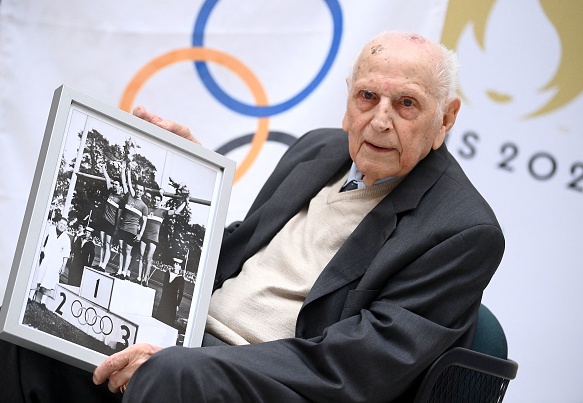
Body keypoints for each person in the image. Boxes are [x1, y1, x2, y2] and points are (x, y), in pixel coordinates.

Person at [0, 32, 505, 402]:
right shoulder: (317, 150)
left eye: (407, 104)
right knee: (35, 333)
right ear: (349, 101)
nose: (380, 119)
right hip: (189, 347)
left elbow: (358, 365)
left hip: (281, 381)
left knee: (169, 378)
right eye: (368, 97)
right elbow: (236, 251)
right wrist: (192, 177)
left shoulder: (463, 230)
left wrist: (198, 360)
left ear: (447, 118)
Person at [136, 191, 188, 286]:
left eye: (158, 200)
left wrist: (185, 202)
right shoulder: (147, 209)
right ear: (152, 200)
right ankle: (139, 277)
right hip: (144, 235)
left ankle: (145, 279)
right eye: (155, 199)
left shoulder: (163, 211)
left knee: (148, 258)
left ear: (160, 201)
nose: (156, 201)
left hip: (153, 238)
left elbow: (176, 211)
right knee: (140, 256)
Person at [112, 181, 149, 281]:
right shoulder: (129, 198)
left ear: (143, 192)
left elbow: (144, 222)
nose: (139, 191)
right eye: (137, 189)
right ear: (135, 189)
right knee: (120, 249)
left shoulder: (144, 206)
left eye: (141, 190)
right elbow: (124, 183)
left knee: (128, 251)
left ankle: (124, 272)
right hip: (123, 228)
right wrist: (126, 171)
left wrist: (140, 234)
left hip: (132, 231)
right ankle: (119, 270)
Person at [95, 163, 128, 272]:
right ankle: (100, 263)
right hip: (104, 221)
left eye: (116, 184)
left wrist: (116, 228)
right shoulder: (111, 192)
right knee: (102, 243)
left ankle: (104, 265)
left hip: (111, 224)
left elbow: (119, 215)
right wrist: (104, 168)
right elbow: (107, 179)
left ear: (120, 186)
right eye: (113, 184)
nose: (114, 185)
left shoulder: (122, 199)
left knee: (108, 243)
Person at [31, 216, 71, 306]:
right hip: (45, 259)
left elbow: (66, 254)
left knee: (49, 282)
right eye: (61, 223)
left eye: (64, 225)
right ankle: (30, 297)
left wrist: (63, 266)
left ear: (66, 227)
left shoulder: (66, 239)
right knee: (38, 277)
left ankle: (42, 302)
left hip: (55, 263)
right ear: (57, 223)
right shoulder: (50, 230)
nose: (62, 226)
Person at [154, 258, 186, 327]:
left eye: (177, 264)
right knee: (160, 317)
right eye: (174, 263)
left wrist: (178, 304)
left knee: (169, 320)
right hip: (164, 298)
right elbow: (164, 286)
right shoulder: (167, 273)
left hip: (173, 301)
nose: (175, 265)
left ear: (180, 267)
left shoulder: (181, 278)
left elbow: (181, 293)